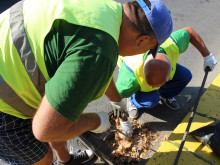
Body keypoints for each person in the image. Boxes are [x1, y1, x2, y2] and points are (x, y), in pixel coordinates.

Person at [0, 0, 173, 164]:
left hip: (11, 52)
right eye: (149, 49)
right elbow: (44, 130)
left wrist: (121, 113)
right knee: (43, 158)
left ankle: (65, 160)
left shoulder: (106, 10)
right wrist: (95, 121)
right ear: (142, 40)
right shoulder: (99, 51)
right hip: (5, 103)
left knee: (60, 112)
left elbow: (99, 71)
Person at [109, 27, 217, 136]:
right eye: (152, 84)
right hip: (136, 73)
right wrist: (124, 122)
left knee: (185, 76)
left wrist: (207, 56)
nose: (153, 87)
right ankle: (133, 100)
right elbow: (115, 98)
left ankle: (165, 95)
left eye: (160, 84)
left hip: (161, 66)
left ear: (169, 68)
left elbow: (189, 32)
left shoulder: (170, 45)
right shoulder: (129, 78)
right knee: (151, 101)